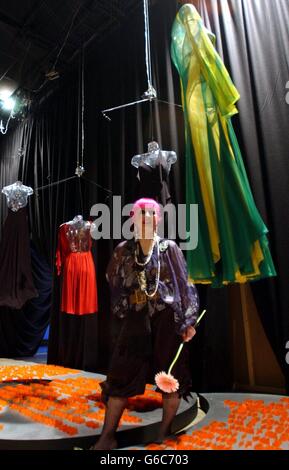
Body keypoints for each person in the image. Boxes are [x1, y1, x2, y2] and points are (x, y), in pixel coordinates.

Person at [91, 198, 199, 450]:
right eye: (142, 213)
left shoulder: (169, 248)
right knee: (120, 376)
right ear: (133, 218)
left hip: (165, 319)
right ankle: (107, 437)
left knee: (170, 377)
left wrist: (188, 320)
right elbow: (114, 285)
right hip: (134, 321)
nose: (147, 217)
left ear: (158, 219)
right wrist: (123, 314)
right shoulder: (122, 251)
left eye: (152, 213)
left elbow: (185, 285)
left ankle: (163, 432)